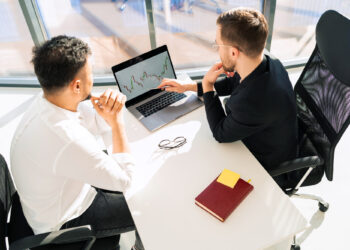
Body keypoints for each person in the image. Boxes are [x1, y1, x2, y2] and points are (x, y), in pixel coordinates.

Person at [10, 35, 144, 250]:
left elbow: (89, 116)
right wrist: (117, 124)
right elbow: (125, 181)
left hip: (44, 202)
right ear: (77, 86)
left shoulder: (46, 101)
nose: (94, 79)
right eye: (91, 74)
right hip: (66, 219)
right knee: (145, 200)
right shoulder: (66, 137)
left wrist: (109, 109)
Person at [158, 8, 298, 186]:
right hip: (273, 137)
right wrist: (188, 87)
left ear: (233, 52)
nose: (217, 50)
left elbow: (219, 133)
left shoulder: (254, 102)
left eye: (218, 45)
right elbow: (232, 83)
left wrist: (208, 87)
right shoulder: (267, 62)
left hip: (265, 164)